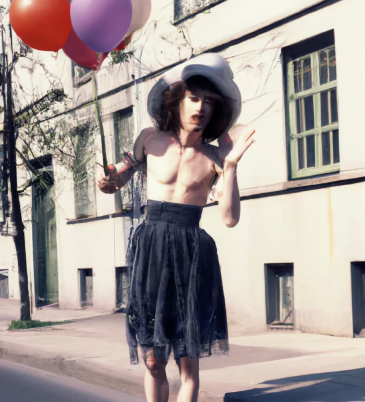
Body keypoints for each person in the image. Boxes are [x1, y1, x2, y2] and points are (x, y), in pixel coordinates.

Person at [98, 53, 255, 402]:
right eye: (194, 98)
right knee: (152, 359)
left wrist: (230, 167)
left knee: (188, 361)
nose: (202, 107)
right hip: (151, 249)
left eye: (210, 102)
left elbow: (230, 217)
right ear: (178, 101)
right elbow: (115, 180)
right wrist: (107, 180)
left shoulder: (215, 158)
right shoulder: (149, 139)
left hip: (191, 254)